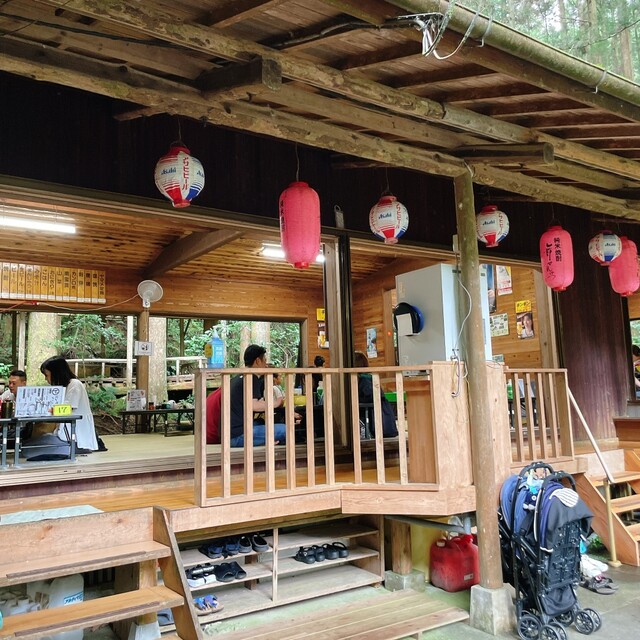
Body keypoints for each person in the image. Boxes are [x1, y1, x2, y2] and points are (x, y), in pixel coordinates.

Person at [229, 345, 287, 447]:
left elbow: (253, 402)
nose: (266, 365)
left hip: (227, 434)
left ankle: (266, 440)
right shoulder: (251, 377)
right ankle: (268, 440)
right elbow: (254, 405)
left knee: (260, 422)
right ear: (257, 361)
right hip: (238, 435)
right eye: (264, 360)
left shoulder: (237, 378)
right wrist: (276, 403)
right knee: (286, 429)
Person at [40, 355, 99, 452]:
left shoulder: (74, 384)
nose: (46, 379)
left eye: (46, 375)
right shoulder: (64, 387)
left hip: (76, 436)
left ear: (56, 373)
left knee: (38, 446)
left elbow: (67, 409)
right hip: (66, 432)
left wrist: (45, 410)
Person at [354, 351, 397, 437]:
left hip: (378, 424)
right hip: (385, 421)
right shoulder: (371, 378)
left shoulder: (364, 380)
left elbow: (370, 396)